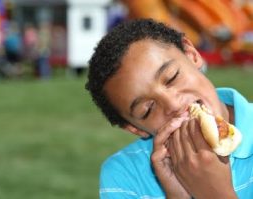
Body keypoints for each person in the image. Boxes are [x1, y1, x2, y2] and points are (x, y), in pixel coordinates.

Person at [85, 19, 253, 199]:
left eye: (172, 77)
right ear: (134, 128)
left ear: (191, 54)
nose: (173, 104)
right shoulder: (124, 175)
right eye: (147, 109)